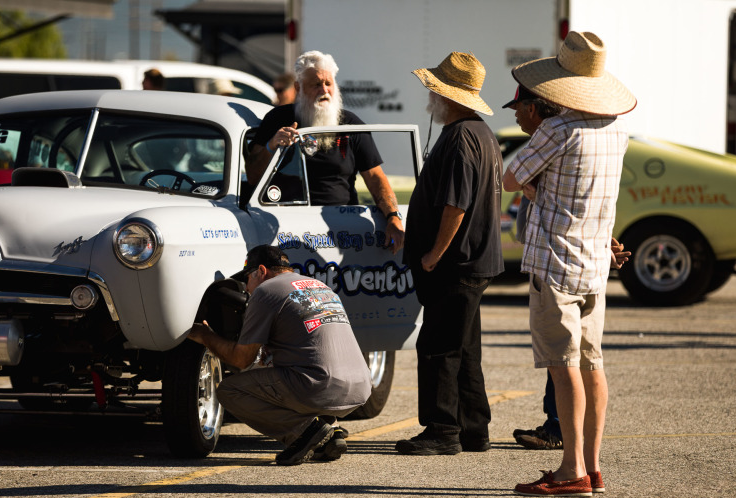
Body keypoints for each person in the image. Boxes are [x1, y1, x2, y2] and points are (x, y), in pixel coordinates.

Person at [503, 31, 636, 497]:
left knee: (563, 369)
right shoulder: (616, 129)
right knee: (593, 365)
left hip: (555, 263)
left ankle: (570, 470)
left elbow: (511, 177)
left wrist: (536, 188)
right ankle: (592, 468)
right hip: (594, 262)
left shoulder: (558, 130)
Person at [395, 52, 504, 456]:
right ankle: (474, 429)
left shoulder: (461, 137)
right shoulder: (481, 133)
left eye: (435, 91)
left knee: (438, 347)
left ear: (449, 96)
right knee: (464, 348)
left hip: (456, 263)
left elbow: (455, 205)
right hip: (473, 261)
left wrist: (433, 254)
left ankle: (442, 430)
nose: (431, 97)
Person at [188, 245, 372, 466]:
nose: (247, 287)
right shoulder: (319, 286)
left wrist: (205, 336)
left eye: (247, 278)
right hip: (360, 388)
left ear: (261, 271)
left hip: (318, 387)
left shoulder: (266, 291)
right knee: (297, 368)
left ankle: (304, 431)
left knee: (230, 391)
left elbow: (241, 359)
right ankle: (330, 433)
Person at [246, 50, 404, 253]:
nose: (324, 90)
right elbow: (252, 176)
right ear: (298, 88)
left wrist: (393, 216)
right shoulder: (277, 119)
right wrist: (272, 145)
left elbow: (375, 177)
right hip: (286, 224)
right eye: (316, 84)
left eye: (328, 83)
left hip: (341, 227)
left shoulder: (350, 125)